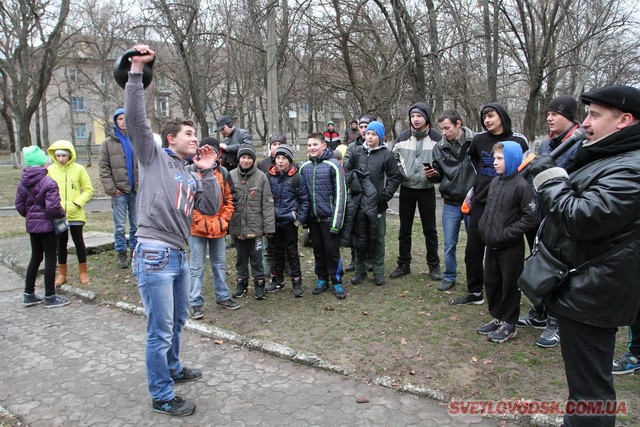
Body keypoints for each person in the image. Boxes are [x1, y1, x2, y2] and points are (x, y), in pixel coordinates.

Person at [526, 84, 640, 426]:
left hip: (594, 295)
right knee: (585, 389)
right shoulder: (609, 155)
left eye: (594, 115)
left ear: (624, 120)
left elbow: (580, 219)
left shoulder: (631, 168)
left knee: (590, 391)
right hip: (585, 286)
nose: (585, 123)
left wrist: (549, 178)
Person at [125, 44, 221, 417]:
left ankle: (173, 368)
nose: (195, 138)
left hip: (178, 253)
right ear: (170, 139)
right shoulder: (154, 158)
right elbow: (136, 120)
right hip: (153, 253)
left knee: (178, 320)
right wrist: (136, 73)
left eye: (196, 133)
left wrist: (209, 170)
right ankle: (162, 395)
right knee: (160, 328)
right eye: (188, 133)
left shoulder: (189, 172)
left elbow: (209, 207)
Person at [517, 95, 582, 348]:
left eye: (556, 113)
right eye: (548, 113)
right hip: (541, 214)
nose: (549, 118)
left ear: (570, 116)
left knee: (559, 268)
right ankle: (539, 311)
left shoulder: (581, 144)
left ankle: (555, 322)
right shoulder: (545, 145)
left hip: (565, 216)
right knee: (538, 262)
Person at [452, 102, 528, 305]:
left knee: (501, 254)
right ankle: (475, 292)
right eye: (484, 117)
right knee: (473, 250)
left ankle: (504, 295)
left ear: (502, 116)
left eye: (491, 116)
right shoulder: (478, 140)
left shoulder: (517, 140)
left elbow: (525, 167)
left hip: (507, 206)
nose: (487, 120)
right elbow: (475, 162)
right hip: (481, 201)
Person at [476, 141, 537, 343]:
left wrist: (507, 232)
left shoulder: (521, 186)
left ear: (511, 159)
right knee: (492, 282)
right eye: (494, 158)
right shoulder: (495, 182)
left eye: (500, 158)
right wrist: (484, 227)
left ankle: (509, 324)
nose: (495, 162)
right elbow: (489, 209)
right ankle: (497, 317)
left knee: (509, 285)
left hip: (510, 246)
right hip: (491, 244)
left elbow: (531, 218)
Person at [390, 102, 443, 281]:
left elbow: (444, 164)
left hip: (427, 190)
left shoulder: (437, 138)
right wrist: (402, 172)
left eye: (419, 116)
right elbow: (394, 159)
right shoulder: (403, 137)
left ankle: (434, 266)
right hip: (407, 190)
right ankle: (403, 264)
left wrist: (435, 174)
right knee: (405, 229)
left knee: (430, 230)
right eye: (413, 116)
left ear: (427, 117)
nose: (416, 119)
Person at [344, 121, 400, 286]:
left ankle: (378, 271)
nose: (369, 136)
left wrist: (384, 196)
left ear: (380, 137)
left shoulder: (386, 155)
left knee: (378, 238)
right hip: (359, 203)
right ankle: (360, 271)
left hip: (377, 204)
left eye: (373, 134)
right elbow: (346, 171)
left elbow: (395, 177)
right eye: (368, 133)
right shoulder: (357, 151)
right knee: (360, 237)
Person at [189, 137, 239, 320]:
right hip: (197, 229)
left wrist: (223, 221)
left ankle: (223, 296)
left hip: (218, 227)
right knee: (196, 266)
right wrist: (203, 222)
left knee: (219, 264)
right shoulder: (191, 171)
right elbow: (188, 204)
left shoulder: (224, 173)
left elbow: (230, 200)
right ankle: (194, 302)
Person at [426, 110, 475, 291]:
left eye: (447, 128)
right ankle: (449, 276)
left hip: (473, 201)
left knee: (474, 245)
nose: (444, 132)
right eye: (442, 129)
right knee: (449, 244)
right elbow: (439, 176)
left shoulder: (475, 141)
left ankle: (475, 279)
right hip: (451, 202)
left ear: (458, 123)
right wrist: (432, 175)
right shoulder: (439, 147)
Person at [16, 146, 70, 308]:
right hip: (48, 226)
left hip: (32, 226)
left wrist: (31, 216)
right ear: (42, 163)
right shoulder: (48, 182)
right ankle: (50, 296)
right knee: (50, 257)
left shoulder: (23, 182)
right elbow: (53, 207)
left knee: (35, 257)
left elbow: (19, 205)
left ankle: (29, 293)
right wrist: (62, 213)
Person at [299, 132, 347, 299]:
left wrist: (336, 221)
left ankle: (336, 280)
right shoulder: (304, 167)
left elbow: (341, 194)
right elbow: (302, 196)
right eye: (309, 145)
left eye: (315, 144)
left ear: (324, 146)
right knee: (318, 250)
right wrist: (304, 220)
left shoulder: (333, 165)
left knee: (332, 251)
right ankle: (322, 278)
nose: (312, 148)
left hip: (329, 219)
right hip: (313, 219)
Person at [229, 144, 275, 300]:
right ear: (239, 159)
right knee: (241, 258)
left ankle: (259, 285)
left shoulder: (262, 177)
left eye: (249, 158)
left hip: (256, 228)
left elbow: (267, 204)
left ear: (254, 160)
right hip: (237, 226)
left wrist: (268, 228)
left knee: (256, 258)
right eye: (243, 157)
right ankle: (241, 284)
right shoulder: (231, 175)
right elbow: (226, 202)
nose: (246, 160)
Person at [47, 140, 94, 286]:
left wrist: (76, 203)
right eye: (58, 155)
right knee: (61, 243)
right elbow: (47, 191)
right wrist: (55, 206)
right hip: (59, 214)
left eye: (64, 156)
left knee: (79, 242)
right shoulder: (50, 170)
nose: (61, 159)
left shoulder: (79, 169)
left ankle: (83, 272)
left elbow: (88, 189)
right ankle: (62, 274)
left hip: (76, 213)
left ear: (70, 155)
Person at [265, 144, 310, 297]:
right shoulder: (269, 177)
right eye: (278, 158)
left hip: (290, 222)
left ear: (289, 160)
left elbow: (304, 201)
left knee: (292, 252)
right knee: (276, 251)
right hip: (274, 221)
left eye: (284, 158)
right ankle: (277, 279)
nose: (280, 161)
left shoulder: (297, 178)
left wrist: (299, 219)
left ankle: (297, 282)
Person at [99, 107, 139, 269]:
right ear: (116, 121)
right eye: (120, 119)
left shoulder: (136, 139)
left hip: (136, 190)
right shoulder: (108, 143)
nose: (123, 121)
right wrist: (112, 189)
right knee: (120, 226)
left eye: (125, 118)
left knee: (136, 225)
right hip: (119, 192)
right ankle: (121, 253)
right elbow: (104, 168)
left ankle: (135, 252)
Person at [343, 114, 375, 272]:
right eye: (361, 127)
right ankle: (355, 259)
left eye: (367, 127)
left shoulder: (378, 146)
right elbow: (346, 168)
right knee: (354, 225)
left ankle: (370, 258)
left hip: (372, 193)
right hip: (356, 193)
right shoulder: (352, 147)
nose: (363, 130)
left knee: (370, 227)